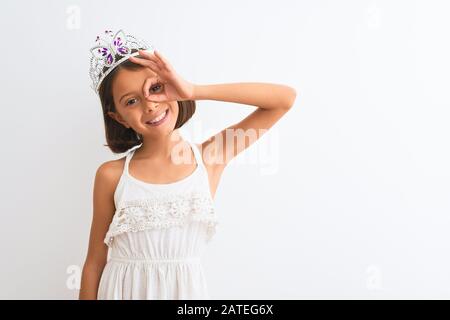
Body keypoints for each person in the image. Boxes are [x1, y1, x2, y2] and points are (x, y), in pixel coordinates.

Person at [79, 29, 297, 300]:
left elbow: (283, 99)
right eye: (132, 101)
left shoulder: (210, 158)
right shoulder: (111, 175)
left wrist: (193, 90)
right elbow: (93, 264)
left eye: (156, 89)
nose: (150, 106)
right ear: (119, 117)